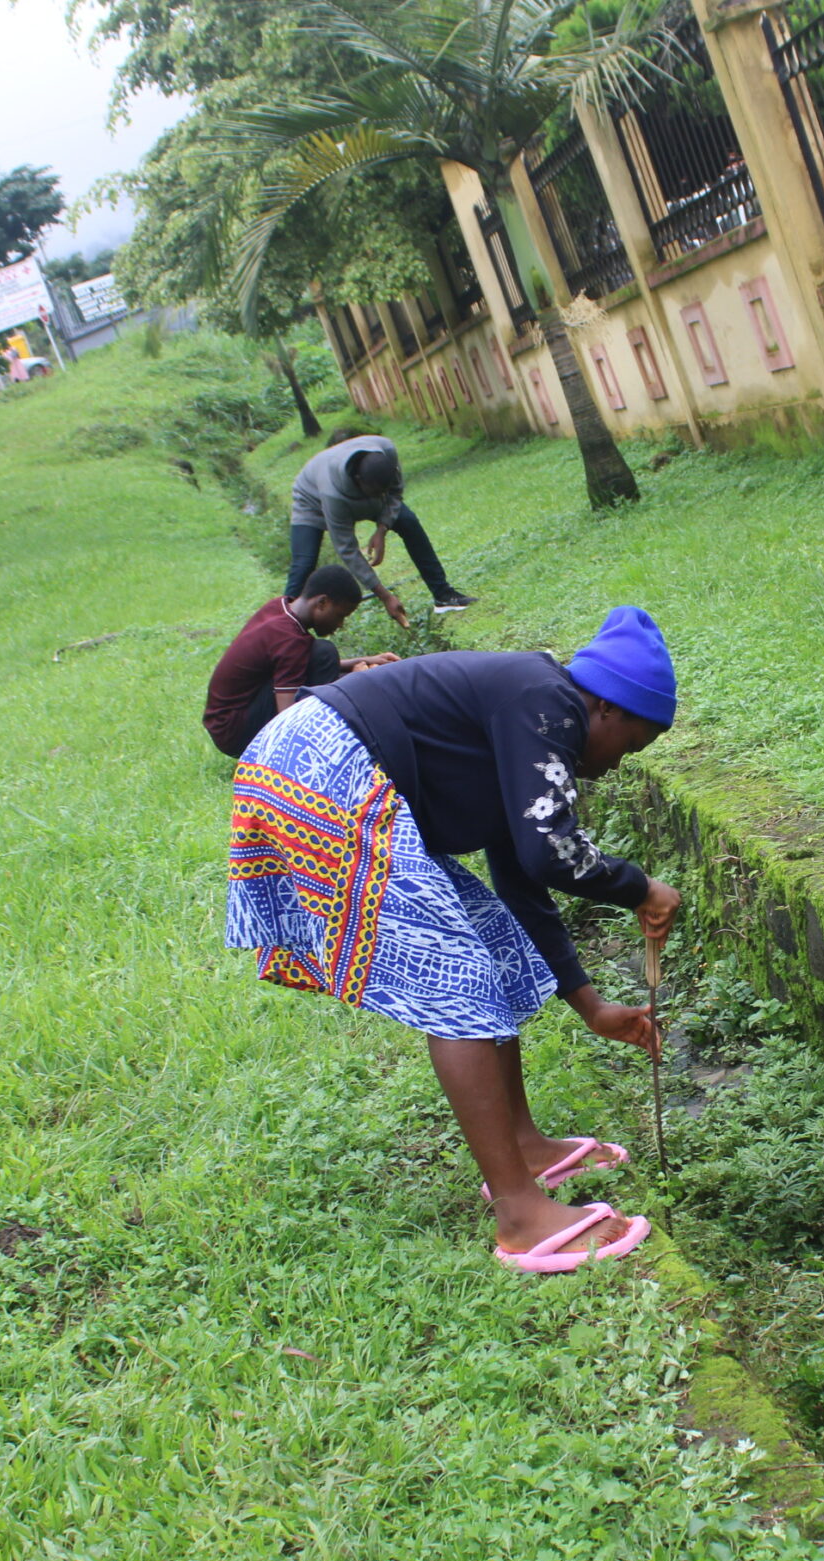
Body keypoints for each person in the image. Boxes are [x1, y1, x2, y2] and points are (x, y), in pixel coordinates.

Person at [227, 606, 681, 1273]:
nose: (615, 766)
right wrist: (639, 886)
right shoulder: (547, 699)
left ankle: (523, 1148)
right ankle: (520, 1213)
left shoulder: (523, 724)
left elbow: (523, 881)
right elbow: (551, 852)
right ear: (607, 708)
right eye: (632, 745)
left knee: (491, 943)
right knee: (456, 976)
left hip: (317, 759)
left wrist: (591, 1008)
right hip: (318, 763)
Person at [200, 563, 397, 758]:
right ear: (322, 603)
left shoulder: (279, 607)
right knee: (325, 653)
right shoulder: (291, 639)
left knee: (323, 656)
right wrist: (350, 685)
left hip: (226, 721)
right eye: (340, 616)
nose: (340, 625)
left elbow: (295, 662)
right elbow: (288, 717)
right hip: (235, 731)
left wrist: (367, 660)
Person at [285, 434, 473, 626]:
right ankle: (286, 624)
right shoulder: (333, 494)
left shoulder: (387, 453)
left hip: (363, 489)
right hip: (311, 499)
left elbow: (395, 493)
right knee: (304, 562)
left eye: (384, 490)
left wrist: (382, 528)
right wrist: (385, 596)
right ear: (359, 480)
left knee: (408, 522)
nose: (382, 495)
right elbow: (347, 549)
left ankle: (443, 595)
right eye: (378, 492)